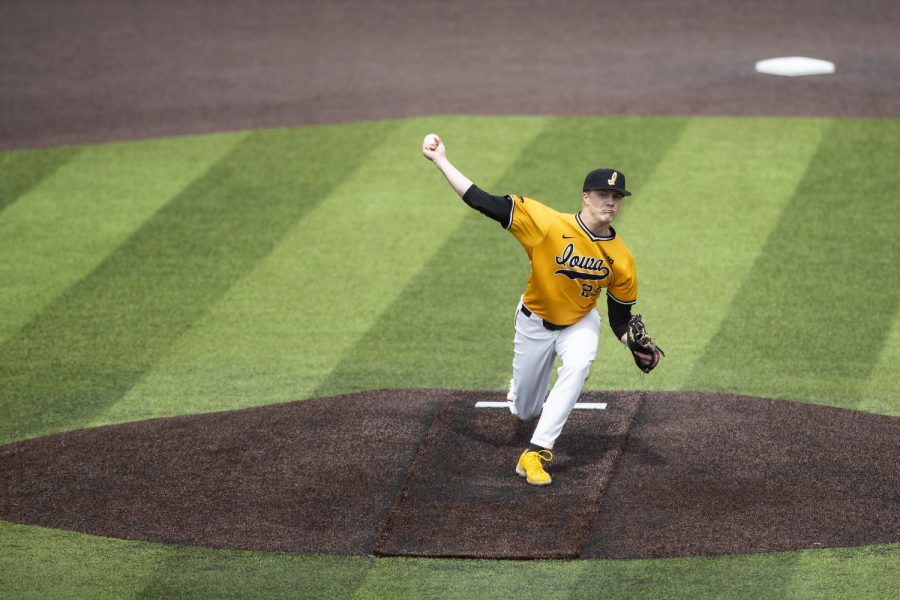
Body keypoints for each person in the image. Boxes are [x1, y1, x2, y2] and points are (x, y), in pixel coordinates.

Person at [421, 133, 659, 486]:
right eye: (603, 195)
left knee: (579, 364)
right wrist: (441, 161)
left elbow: (620, 319)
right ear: (586, 197)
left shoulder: (621, 259)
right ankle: (519, 390)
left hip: (580, 322)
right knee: (524, 410)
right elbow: (482, 201)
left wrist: (633, 344)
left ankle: (534, 453)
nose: (610, 202)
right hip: (533, 323)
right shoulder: (546, 224)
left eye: (616, 197)